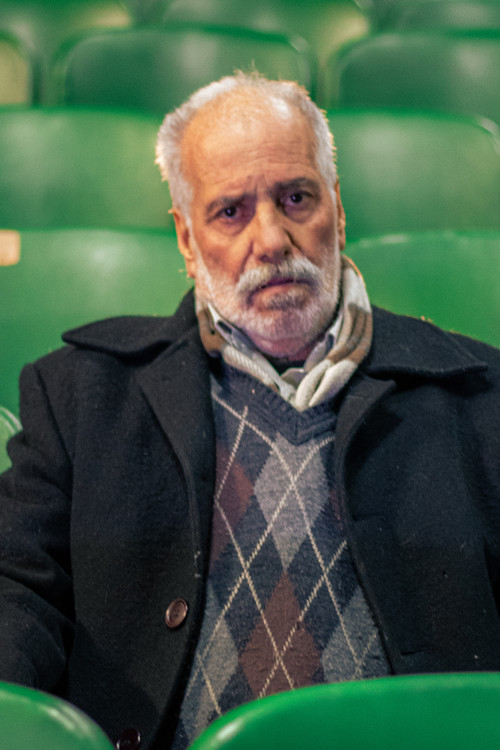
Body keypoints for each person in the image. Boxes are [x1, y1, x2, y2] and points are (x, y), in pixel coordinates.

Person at [0, 72, 499, 750]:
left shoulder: (481, 397)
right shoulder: (82, 398)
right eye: (230, 212)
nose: (271, 239)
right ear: (186, 240)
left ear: (337, 209)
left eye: (296, 199)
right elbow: (16, 592)